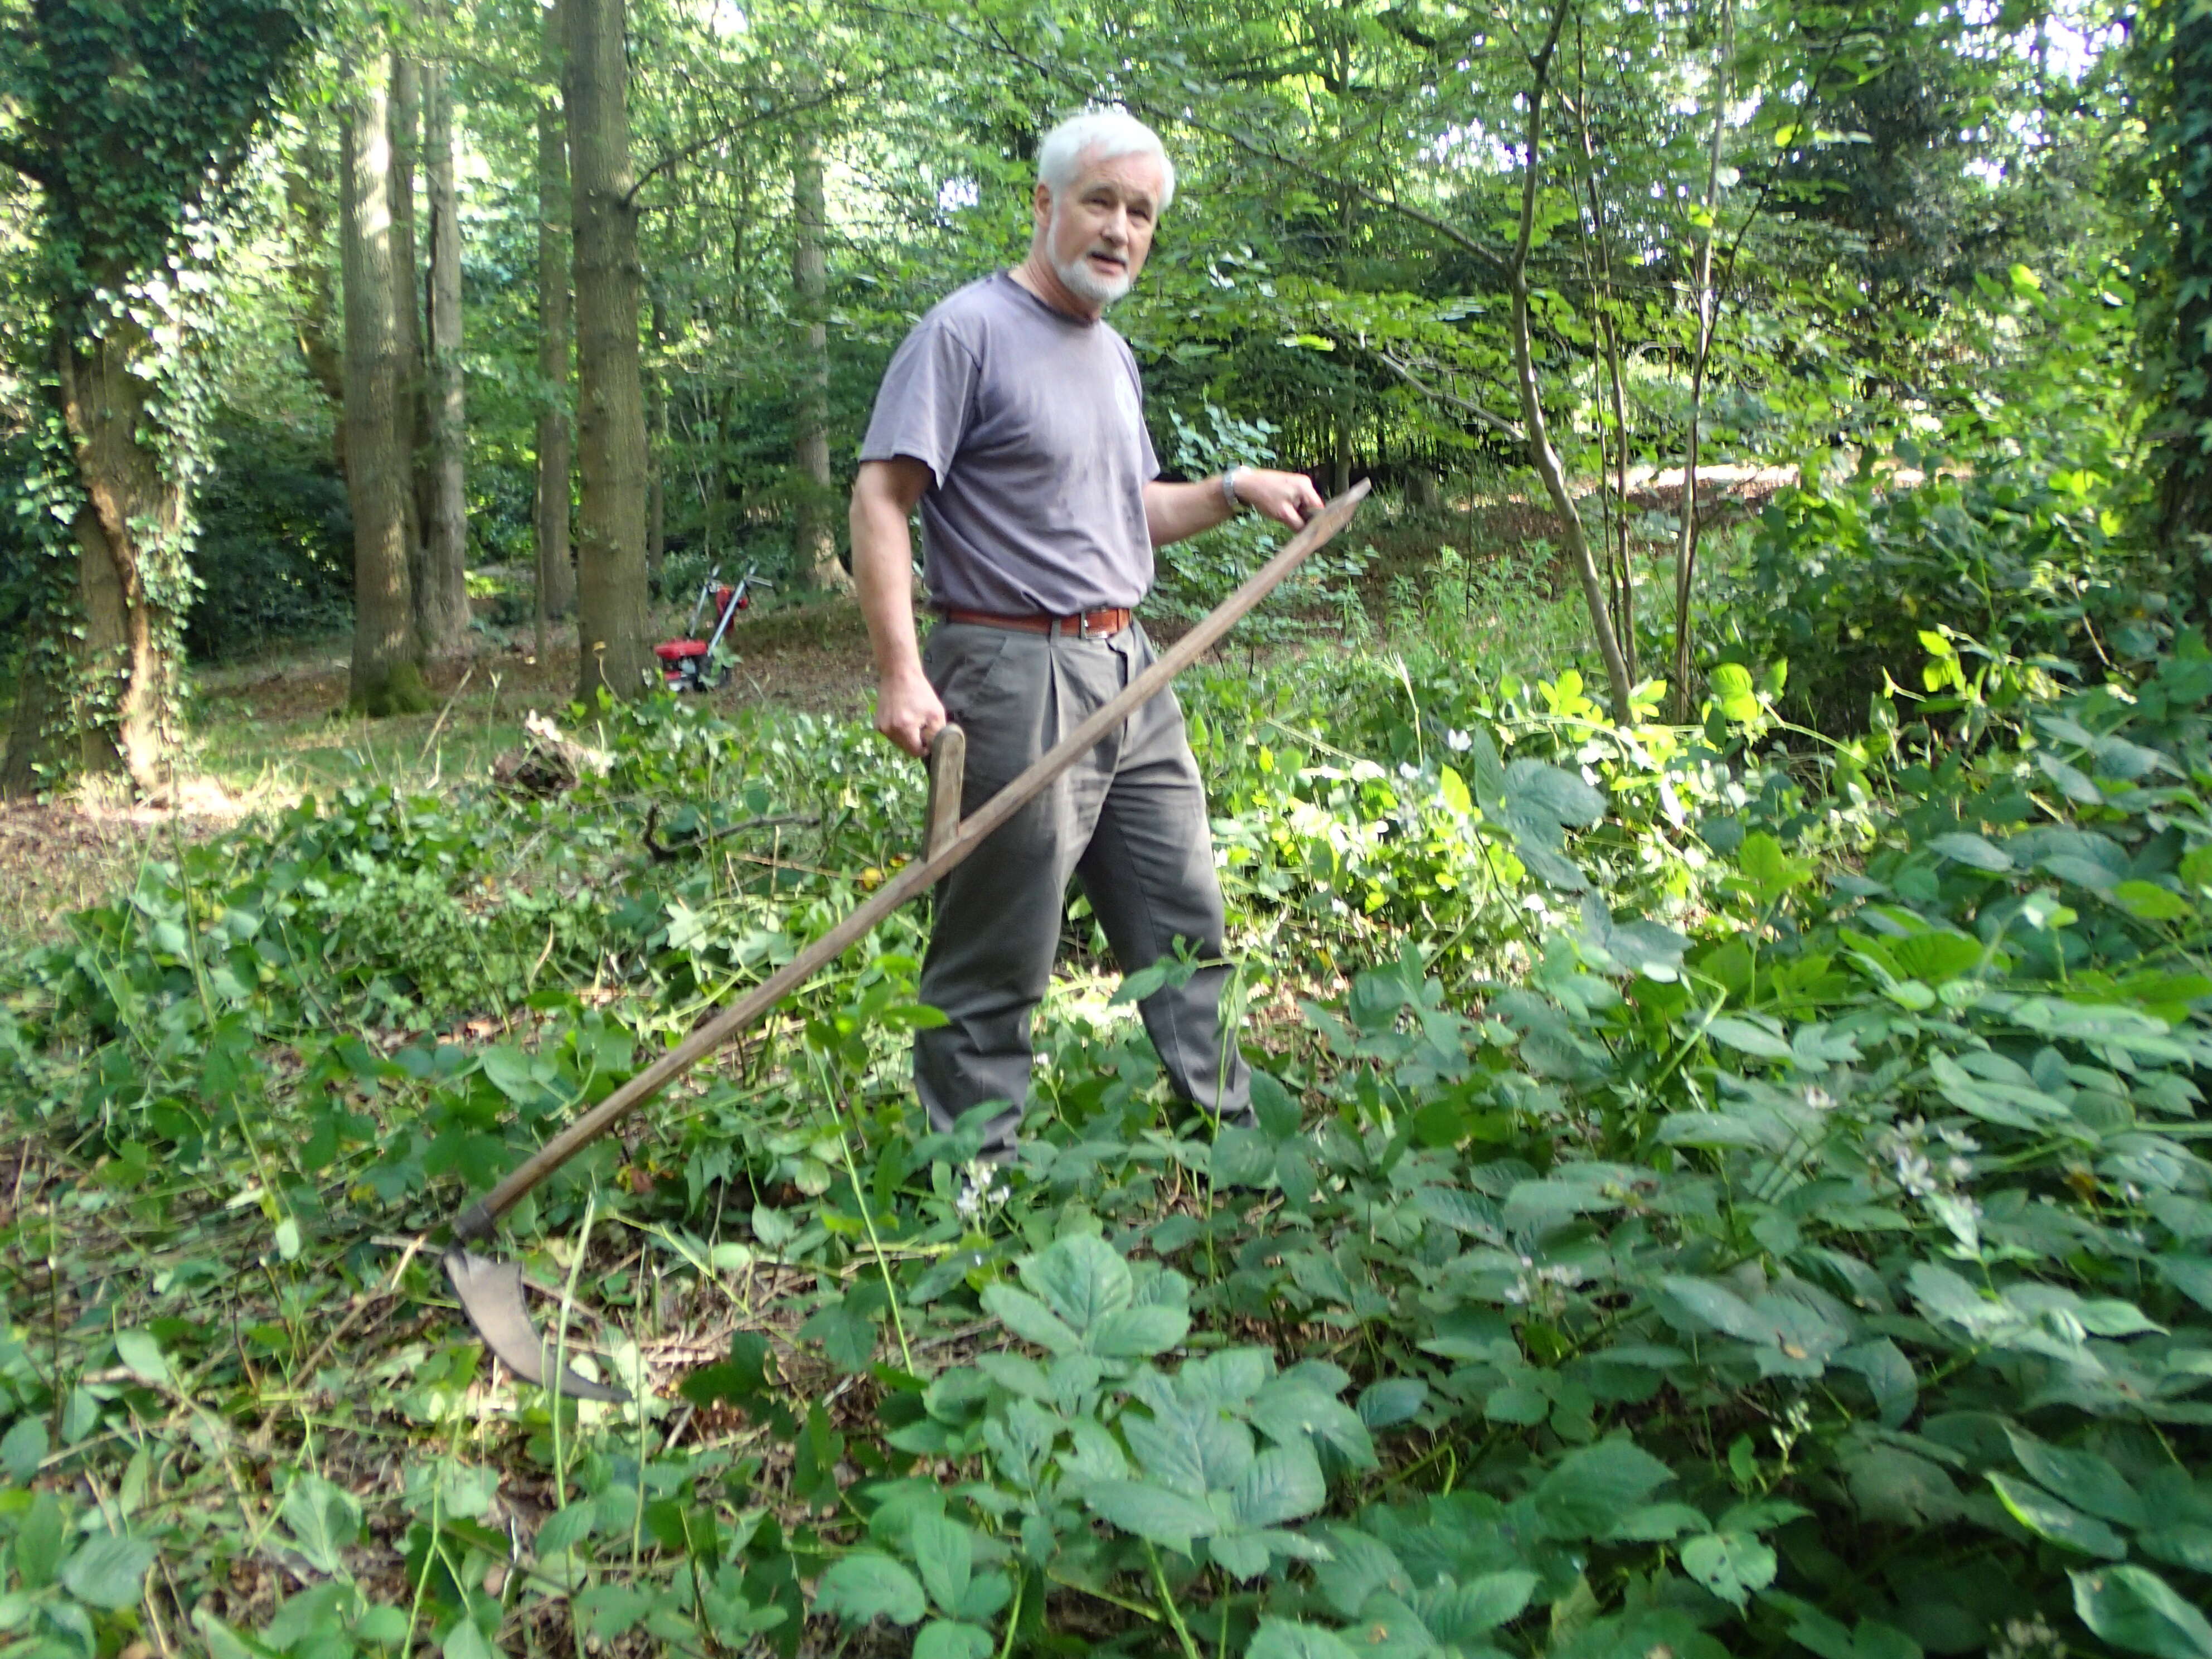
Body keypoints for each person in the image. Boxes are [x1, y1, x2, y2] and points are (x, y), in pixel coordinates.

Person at [848, 109, 1326, 1154]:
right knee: (1002, 945)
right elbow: (882, 498)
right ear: (1045, 206)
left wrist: (1236, 489)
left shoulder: (1110, 354)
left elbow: (1129, 506)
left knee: (1183, 915)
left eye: (1141, 213)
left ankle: (1233, 1147)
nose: (1120, 229)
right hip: (1014, 668)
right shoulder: (965, 332)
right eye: (1101, 202)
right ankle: (975, 1183)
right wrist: (899, 672)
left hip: (1130, 667)